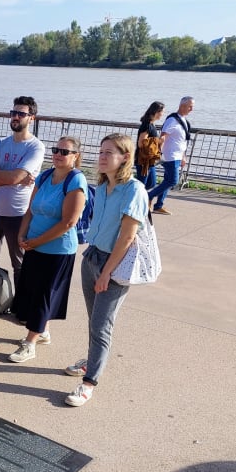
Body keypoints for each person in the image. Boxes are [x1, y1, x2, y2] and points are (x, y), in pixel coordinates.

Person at [64, 133, 148, 407]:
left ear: (125, 157)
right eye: (100, 152)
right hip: (93, 256)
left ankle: (89, 383)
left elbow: (126, 237)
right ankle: (90, 361)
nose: (101, 157)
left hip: (114, 264)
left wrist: (106, 273)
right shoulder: (102, 187)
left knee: (102, 325)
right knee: (93, 319)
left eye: (108, 153)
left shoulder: (133, 190)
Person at [6, 136, 88, 363]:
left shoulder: (76, 181)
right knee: (33, 292)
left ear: (75, 156)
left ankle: (30, 342)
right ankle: (43, 331)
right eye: (56, 150)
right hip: (34, 245)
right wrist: (23, 235)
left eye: (65, 151)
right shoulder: (44, 176)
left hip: (57, 250)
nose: (59, 154)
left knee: (44, 294)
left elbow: (68, 222)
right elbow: (30, 210)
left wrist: (37, 241)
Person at [0, 96, 45, 293]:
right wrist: (9, 177)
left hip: (18, 214)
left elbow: (12, 177)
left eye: (21, 113)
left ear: (31, 118)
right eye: (13, 113)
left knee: (19, 263)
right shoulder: (1, 143)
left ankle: (21, 305)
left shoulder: (35, 146)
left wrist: (1, 175)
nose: (15, 117)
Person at [148, 96, 195, 215]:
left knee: (167, 180)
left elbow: (182, 140)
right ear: (182, 106)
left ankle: (158, 206)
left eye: (192, 106)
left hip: (178, 156)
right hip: (170, 156)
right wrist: (159, 152)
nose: (191, 109)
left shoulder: (184, 120)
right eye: (190, 106)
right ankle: (149, 196)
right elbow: (163, 136)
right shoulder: (172, 120)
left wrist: (183, 156)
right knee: (173, 181)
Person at [135, 101, 164, 188]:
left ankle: (141, 197)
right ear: (156, 112)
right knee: (142, 185)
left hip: (149, 160)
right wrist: (158, 142)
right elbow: (141, 143)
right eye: (162, 112)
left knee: (151, 183)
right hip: (143, 160)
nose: (162, 114)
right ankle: (134, 198)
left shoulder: (151, 124)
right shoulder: (147, 125)